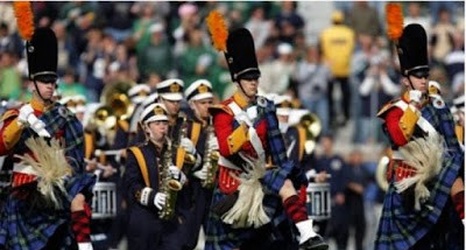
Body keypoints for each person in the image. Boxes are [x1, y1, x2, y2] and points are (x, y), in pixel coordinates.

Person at [204, 20, 327, 250]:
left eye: (256, 78)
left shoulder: (267, 107)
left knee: (284, 179)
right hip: (235, 183)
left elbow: (278, 152)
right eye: (249, 79)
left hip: (262, 177)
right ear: (237, 81)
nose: (254, 83)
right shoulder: (223, 112)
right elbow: (226, 148)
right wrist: (246, 124)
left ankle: (307, 233)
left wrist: (289, 175)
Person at [0, 25, 95, 250]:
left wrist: (63, 172)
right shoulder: (16, 114)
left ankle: (86, 247)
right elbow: (2, 147)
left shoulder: (66, 116)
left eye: (53, 82)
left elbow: (76, 157)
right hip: (25, 194)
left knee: (78, 196)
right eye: (45, 82)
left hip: (59, 191)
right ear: (32, 83)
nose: (51, 87)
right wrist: (19, 123)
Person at [375, 21, 464, 249]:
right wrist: (413, 106)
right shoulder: (394, 110)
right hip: (407, 187)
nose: (424, 79)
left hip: (438, 184)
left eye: (426, 74)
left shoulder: (437, 103)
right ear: (406, 80)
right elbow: (399, 137)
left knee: (455, 175)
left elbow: (452, 145)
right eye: (418, 76)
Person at [122, 102, 187, 250]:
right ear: (146, 128)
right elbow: (131, 185)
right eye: (157, 123)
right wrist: (152, 197)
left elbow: (187, 185)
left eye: (164, 122)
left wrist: (181, 177)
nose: (163, 127)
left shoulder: (176, 152)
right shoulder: (137, 153)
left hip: (171, 223)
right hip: (145, 220)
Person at [183, 79, 219, 249]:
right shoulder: (185, 126)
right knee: (188, 238)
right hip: (191, 190)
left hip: (213, 188)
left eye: (209, 102)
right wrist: (195, 170)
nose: (207, 106)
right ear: (192, 104)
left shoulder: (216, 124)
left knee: (214, 237)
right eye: (202, 103)